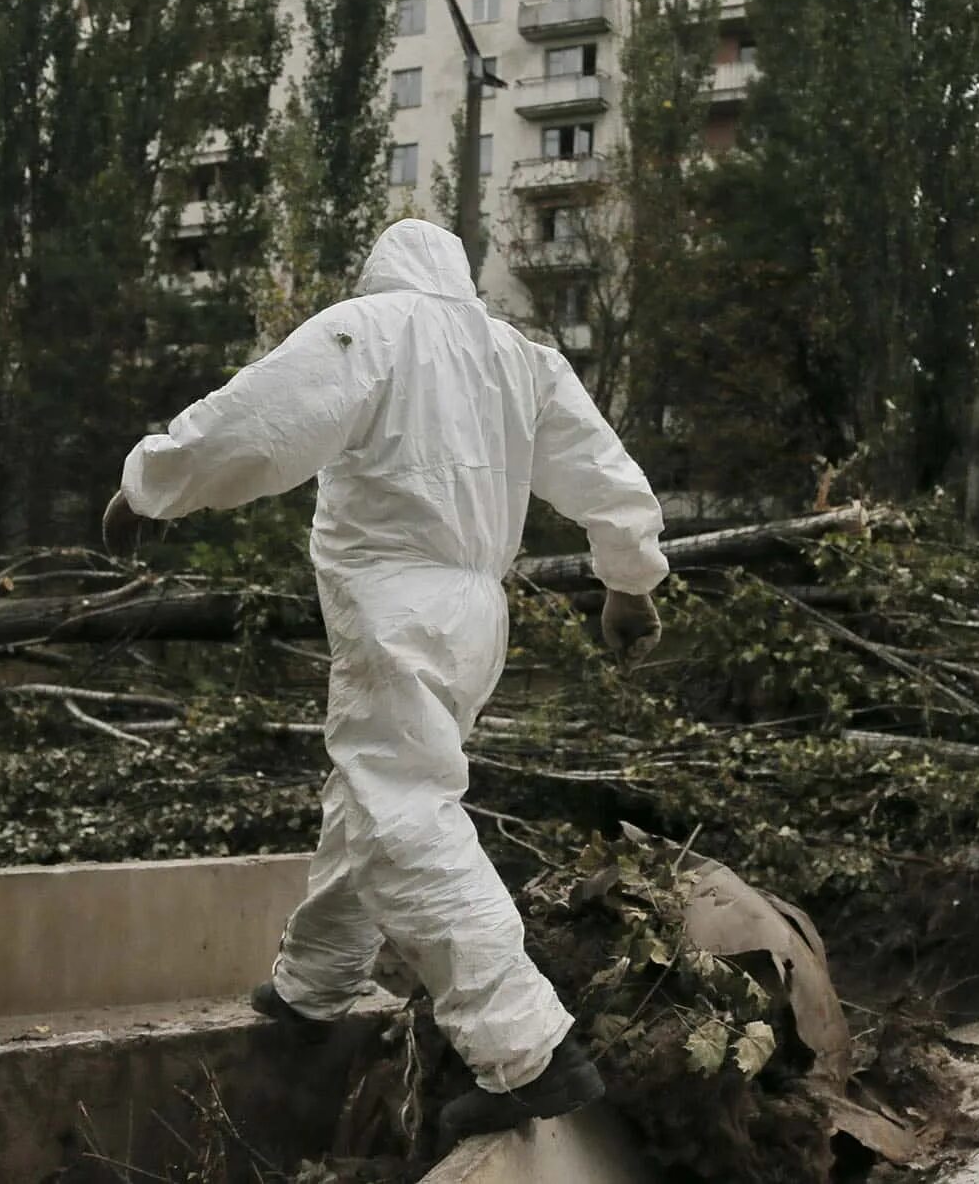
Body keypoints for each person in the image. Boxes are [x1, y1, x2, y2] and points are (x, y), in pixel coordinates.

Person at [104, 218, 665, 1146]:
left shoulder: (370, 328)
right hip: (479, 613)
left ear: (383, 273)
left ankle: (529, 1049)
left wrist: (151, 485)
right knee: (371, 794)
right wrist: (631, 583)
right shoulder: (521, 360)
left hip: (396, 602)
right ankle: (315, 984)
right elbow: (607, 476)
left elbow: (257, 423)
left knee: (404, 810)